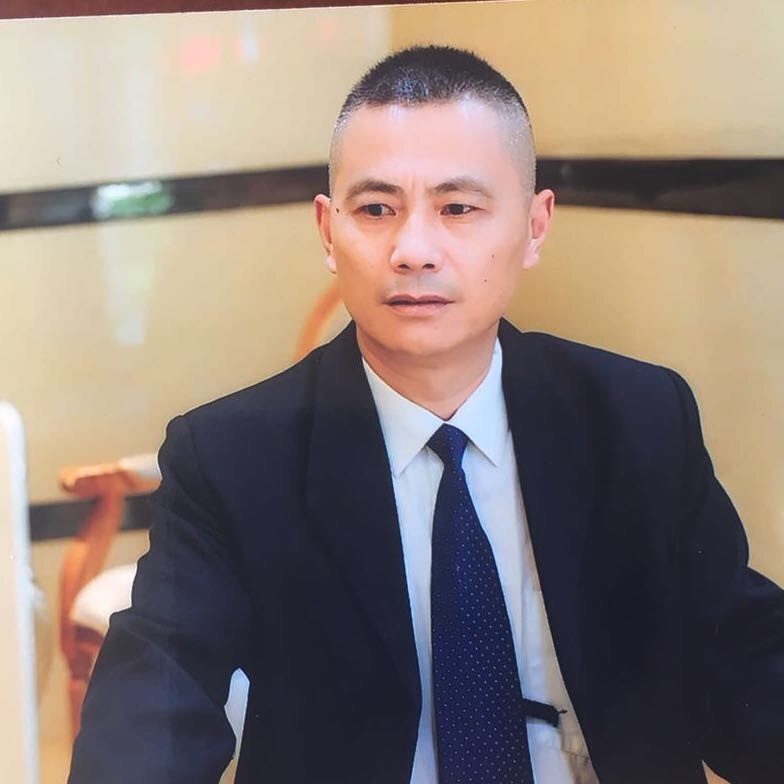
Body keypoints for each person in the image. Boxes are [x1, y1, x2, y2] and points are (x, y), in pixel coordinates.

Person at [68, 45, 784, 784]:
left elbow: (742, 661)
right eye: (376, 209)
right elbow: (153, 701)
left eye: (458, 208)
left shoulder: (638, 418)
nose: (413, 250)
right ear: (328, 230)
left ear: (535, 225)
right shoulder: (232, 456)